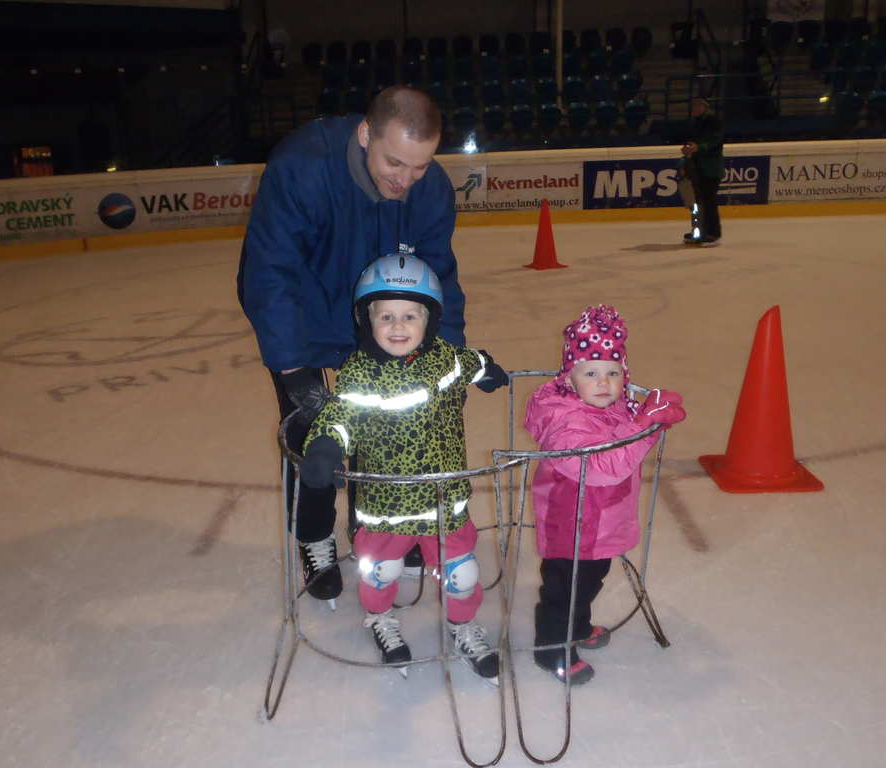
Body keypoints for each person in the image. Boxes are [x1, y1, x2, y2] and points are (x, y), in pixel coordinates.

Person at [236, 86, 465, 604]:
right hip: (304, 311)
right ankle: (314, 538)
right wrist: (293, 367)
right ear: (366, 135)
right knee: (316, 430)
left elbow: (438, 281)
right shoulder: (301, 167)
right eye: (394, 162)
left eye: (420, 166)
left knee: (389, 425)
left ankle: (380, 532)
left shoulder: (431, 191)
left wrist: (445, 359)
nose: (404, 180)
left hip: (381, 318)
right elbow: (270, 273)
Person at [298, 254, 509, 683]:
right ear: (366, 320)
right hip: (386, 508)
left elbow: (472, 361)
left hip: (444, 504)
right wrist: (324, 447)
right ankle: (380, 618)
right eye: (386, 316)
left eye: (410, 315)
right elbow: (340, 416)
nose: (398, 326)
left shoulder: (445, 359)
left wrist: (487, 369)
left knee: (462, 573)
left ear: (429, 321)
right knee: (381, 572)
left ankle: (462, 625)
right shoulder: (360, 373)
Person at [523, 305, 686, 684]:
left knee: (590, 581)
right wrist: (647, 424)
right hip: (571, 526)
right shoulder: (565, 421)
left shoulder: (615, 410)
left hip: (600, 525)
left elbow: (625, 448)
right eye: (591, 373)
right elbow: (602, 467)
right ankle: (552, 650)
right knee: (564, 591)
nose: (603, 382)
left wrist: (647, 418)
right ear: (570, 377)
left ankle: (577, 626)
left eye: (612, 373)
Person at [681, 97, 724, 244]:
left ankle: (712, 232)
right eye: (693, 105)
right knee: (696, 202)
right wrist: (687, 148)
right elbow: (692, 141)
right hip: (697, 168)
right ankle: (698, 230)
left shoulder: (713, 122)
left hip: (710, 169)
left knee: (708, 201)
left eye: (698, 105)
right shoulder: (694, 123)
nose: (695, 107)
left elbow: (716, 141)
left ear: (705, 107)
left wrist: (698, 148)